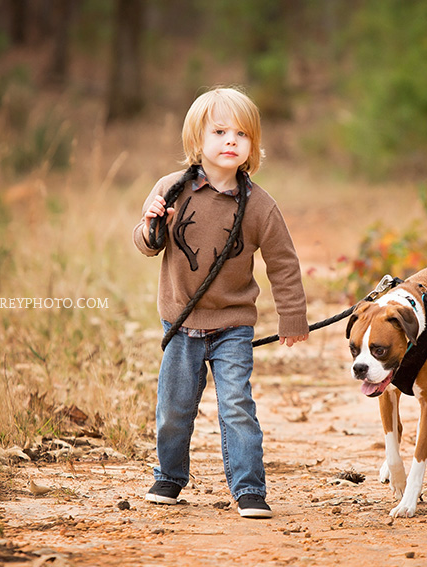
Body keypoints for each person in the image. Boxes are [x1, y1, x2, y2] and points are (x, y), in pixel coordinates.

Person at [132, 87, 309, 519]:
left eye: (242, 134)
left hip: (233, 325)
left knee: (236, 407)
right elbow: (145, 244)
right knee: (174, 408)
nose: (231, 140)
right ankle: (169, 477)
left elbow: (282, 262)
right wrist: (153, 225)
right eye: (220, 131)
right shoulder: (170, 190)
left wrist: (292, 316)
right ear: (198, 140)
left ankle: (249, 488)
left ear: (253, 146)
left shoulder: (260, 206)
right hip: (181, 322)